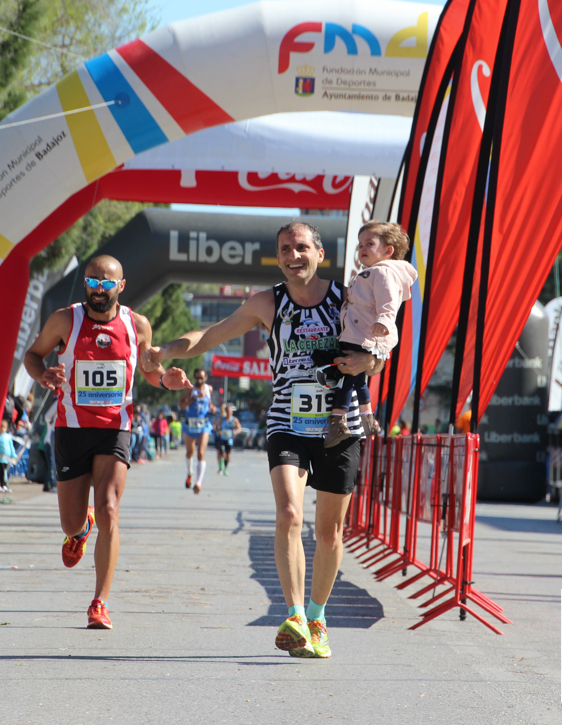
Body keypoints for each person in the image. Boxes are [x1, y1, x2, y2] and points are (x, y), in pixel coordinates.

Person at [144, 221, 383, 658]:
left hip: (340, 425)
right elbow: (209, 336)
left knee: (329, 533)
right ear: (279, 257)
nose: (294, 256)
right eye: (285, 249)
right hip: (287, 421)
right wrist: (167, 350)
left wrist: (368, 359)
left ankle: (316, 617)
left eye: (302, 248)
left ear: (320, 253)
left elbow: (385, 340)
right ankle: (293, 614)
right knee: (289, 513)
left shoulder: (348, 296)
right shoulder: (266, 301)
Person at [23, 254, 191, 631]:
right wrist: (43, 374)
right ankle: (80, 530)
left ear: (121, 286)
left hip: (116, 428)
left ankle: (100, 602)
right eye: (92, 282)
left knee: (110, 508)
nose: (99, 290)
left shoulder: (137, 325)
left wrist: (167, 381)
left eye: (106, 283)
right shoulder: (65, 319)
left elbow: (149, 368)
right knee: (70, 521)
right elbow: (32, 355)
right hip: (71, 429)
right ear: (86, 284)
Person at [314, 222, 417, 447]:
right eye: (360, 244)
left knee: (347, 378)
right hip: (360, 333)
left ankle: (339, 421)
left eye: (369, 244)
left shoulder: (382, 272)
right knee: (356, 379)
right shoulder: (372, 273)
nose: (362, 248)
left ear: (388, 250)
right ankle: (366, 419)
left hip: (362, 334)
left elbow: (388, 302)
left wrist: (383, 320)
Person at [180, 369, 216, 494]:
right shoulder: (190, 389)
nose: (199, 380)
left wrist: (212, 408)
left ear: (206, 377)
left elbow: (209, 403)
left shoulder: (208, 389)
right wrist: (194, 398)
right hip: (190, 424)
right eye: (196, 378)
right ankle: (190, 473)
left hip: (204, 424)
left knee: (201, 452)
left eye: (201, 378)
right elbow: (181, 405)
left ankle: (198, 483)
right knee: (190, 452)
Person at [214, 403, 242, 476]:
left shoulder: (234, 420)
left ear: (232, 412)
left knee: (228, 455)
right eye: (228, 411)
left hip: (229, 440)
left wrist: (236, 431)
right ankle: (221, 466)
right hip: (222, 438)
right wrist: (218, 431)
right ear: (226, 411)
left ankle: (225, 469)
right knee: (221, 453)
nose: (229, 412)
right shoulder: (222, 419)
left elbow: (239, 428)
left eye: (230, 411)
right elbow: (216, 426)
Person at [0, 419, 16, 492]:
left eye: (3, 427)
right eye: (0, 427)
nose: (2, 429)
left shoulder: (8, 437)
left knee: (4, 473)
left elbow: (11, 446)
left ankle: (4, 485)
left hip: (6, 459)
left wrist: (13, 455)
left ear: (6, 428)